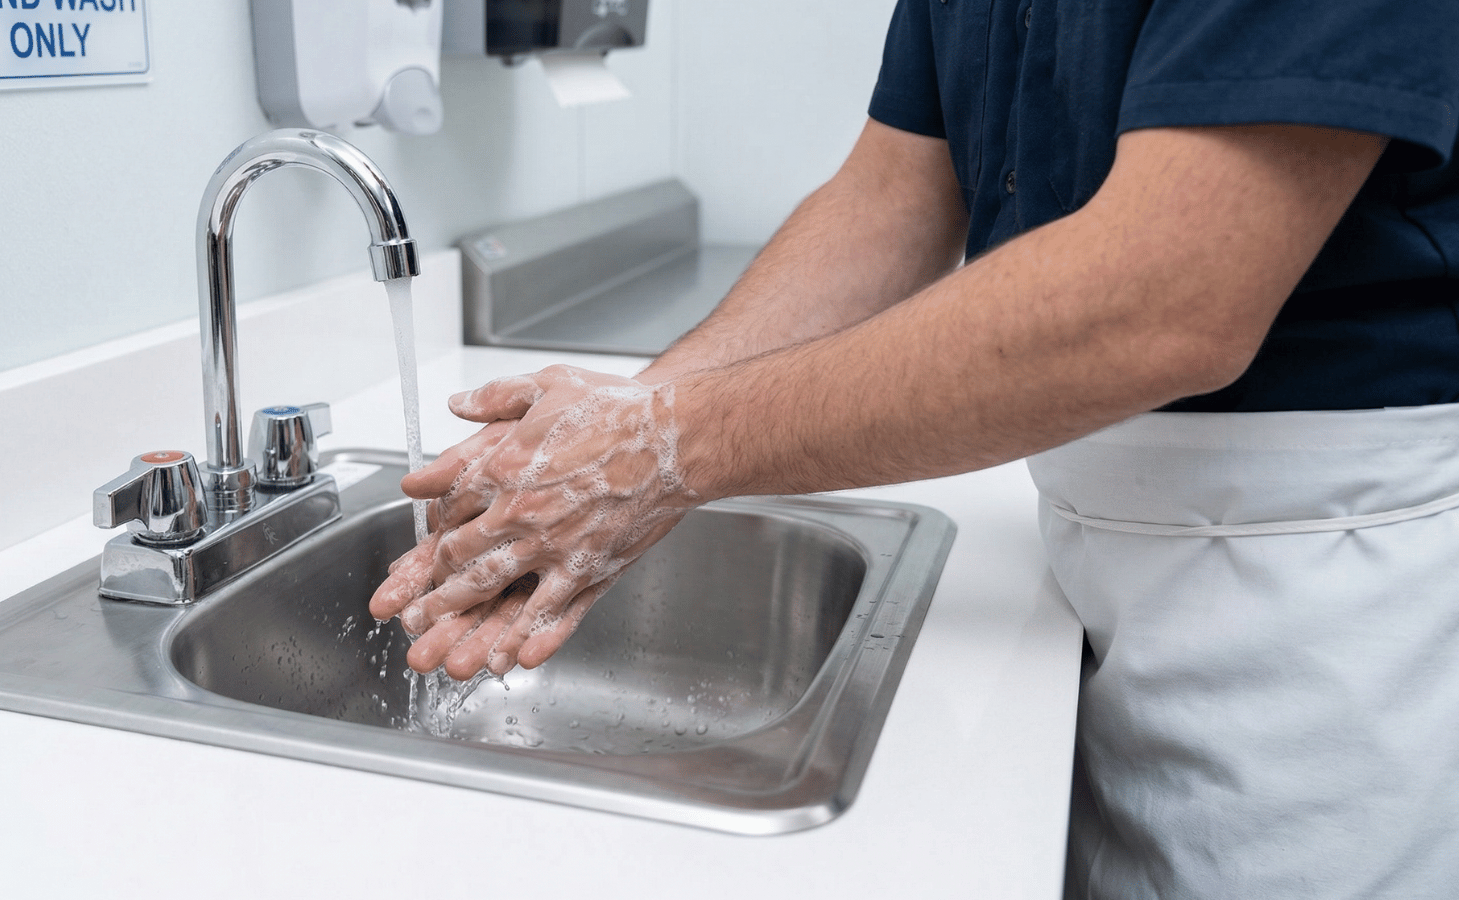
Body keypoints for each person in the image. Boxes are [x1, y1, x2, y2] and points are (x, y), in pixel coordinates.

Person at [372, 0, 1459, 896]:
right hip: (1105, 544)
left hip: (1336, 579)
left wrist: (669, 447)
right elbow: (890, 195)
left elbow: (1169, 297)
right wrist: (621, 434)